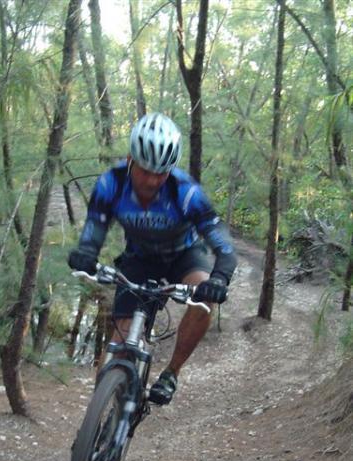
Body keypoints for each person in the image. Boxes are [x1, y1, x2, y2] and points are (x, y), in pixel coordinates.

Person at [68, 113, 237, 405]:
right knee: (117, 347)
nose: (151, 179)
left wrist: (219, 278)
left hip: (183, 256)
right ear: (131, 158)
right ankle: (96, 425)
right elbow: (95, 228)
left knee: (204, 297)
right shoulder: (112, 183)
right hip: (140, 258)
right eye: (145, 170)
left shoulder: (186, 192)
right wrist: (86, 253)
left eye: (160, 173)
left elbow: (223, 245)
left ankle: (171, 372)